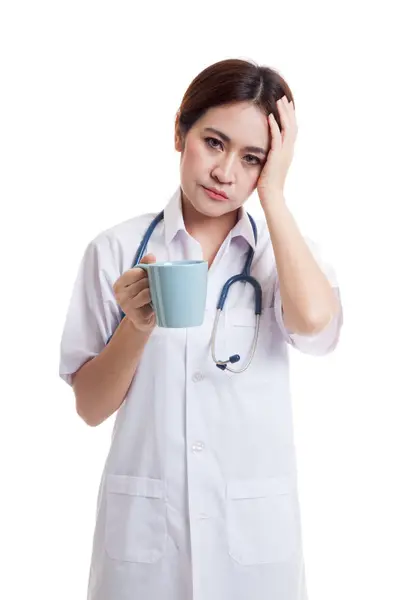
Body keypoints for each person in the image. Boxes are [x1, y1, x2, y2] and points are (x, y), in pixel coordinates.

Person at [59, 58, 343, 600]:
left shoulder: (278, 254)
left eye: (252, 158)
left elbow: (313, 323)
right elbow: (90, 407)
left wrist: (275, 198)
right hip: (145, 552)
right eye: (214, 142)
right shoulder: (117, 251)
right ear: (179, 132)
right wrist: (137, 325)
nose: (225, 172)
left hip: (253, 553)